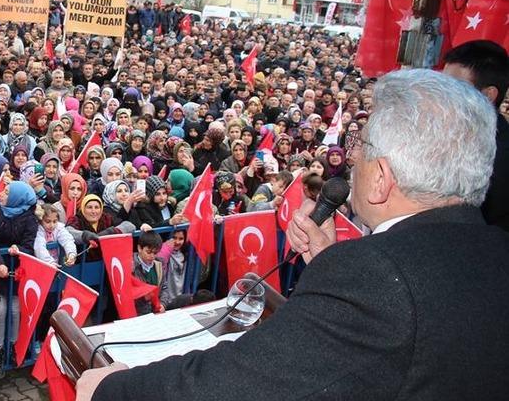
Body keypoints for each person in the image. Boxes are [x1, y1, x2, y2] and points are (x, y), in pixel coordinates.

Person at [79, 70, 509, 400]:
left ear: (381, 179)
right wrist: (328, 262)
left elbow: (242, 383)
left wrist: (113, 389)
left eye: (361, 147)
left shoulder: (374, 277)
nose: (351, 159)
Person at [442, 40, 509, 232]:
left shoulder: (501, 157)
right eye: (441, 86)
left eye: (455, 88)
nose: (443, 96)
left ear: (488, 95)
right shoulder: (445, 136)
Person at [0, 181, 38, 378]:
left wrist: (19, 250)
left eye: (6, 192)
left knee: (14, 309)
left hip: (17, 269)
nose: (1, 194)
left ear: (17, 198)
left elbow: (29, 245)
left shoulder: (30, 217)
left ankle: (13, 346)